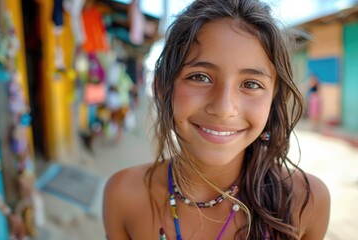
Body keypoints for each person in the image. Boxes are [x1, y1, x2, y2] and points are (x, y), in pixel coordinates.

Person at [103, 0, 330, 239]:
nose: (223, 108)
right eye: (200, 77)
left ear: (273, 98)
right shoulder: (123, 196)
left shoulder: (306, 202)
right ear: (162, 87)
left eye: (251, 84)